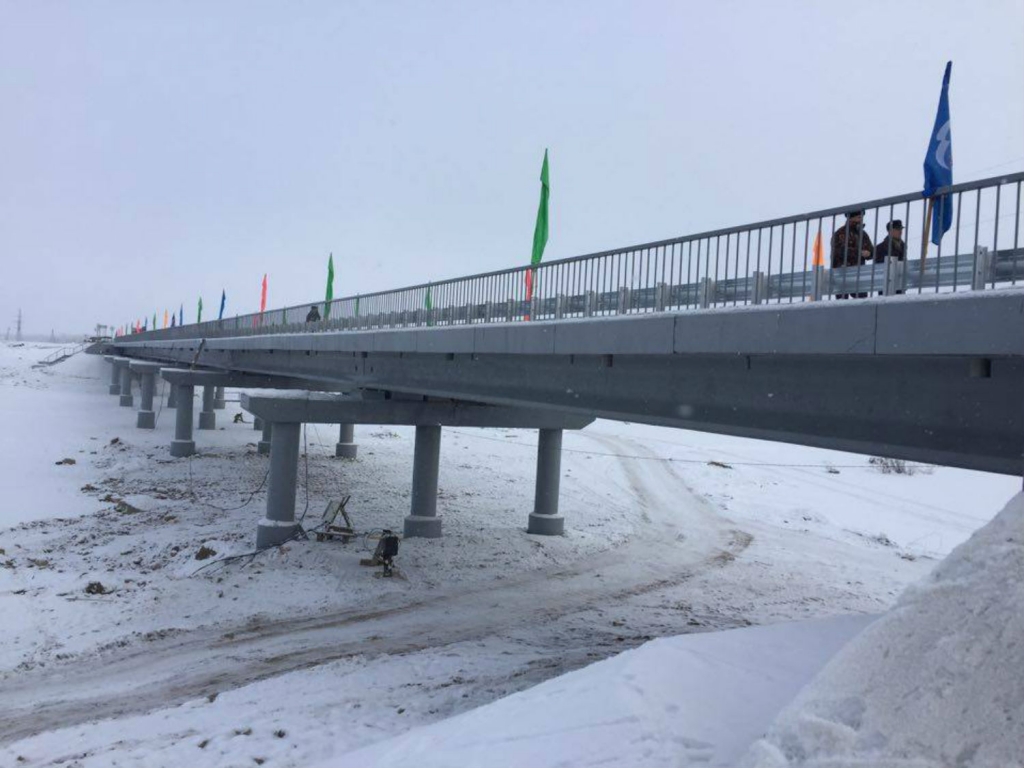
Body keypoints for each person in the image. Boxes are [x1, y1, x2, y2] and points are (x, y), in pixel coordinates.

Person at [831, 209, 874, 298]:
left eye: (862, 217)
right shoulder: (841, 233)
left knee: (862, 302)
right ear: (851, 218)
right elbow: (840, 251)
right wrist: (860, 253)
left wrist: (869, 253)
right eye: (859, 217)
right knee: (842, 303)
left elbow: (872, 250)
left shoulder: (863, 234)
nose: (861, 219)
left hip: (858, 275)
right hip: (842, 274)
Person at [874, 219, 906, 295]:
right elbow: (880, 268)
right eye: (897, 229)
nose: (900, 231)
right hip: (886, 285)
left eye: (901, 229)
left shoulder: (903, 246)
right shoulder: (881, 247)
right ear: (890, 231)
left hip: (899, 282)